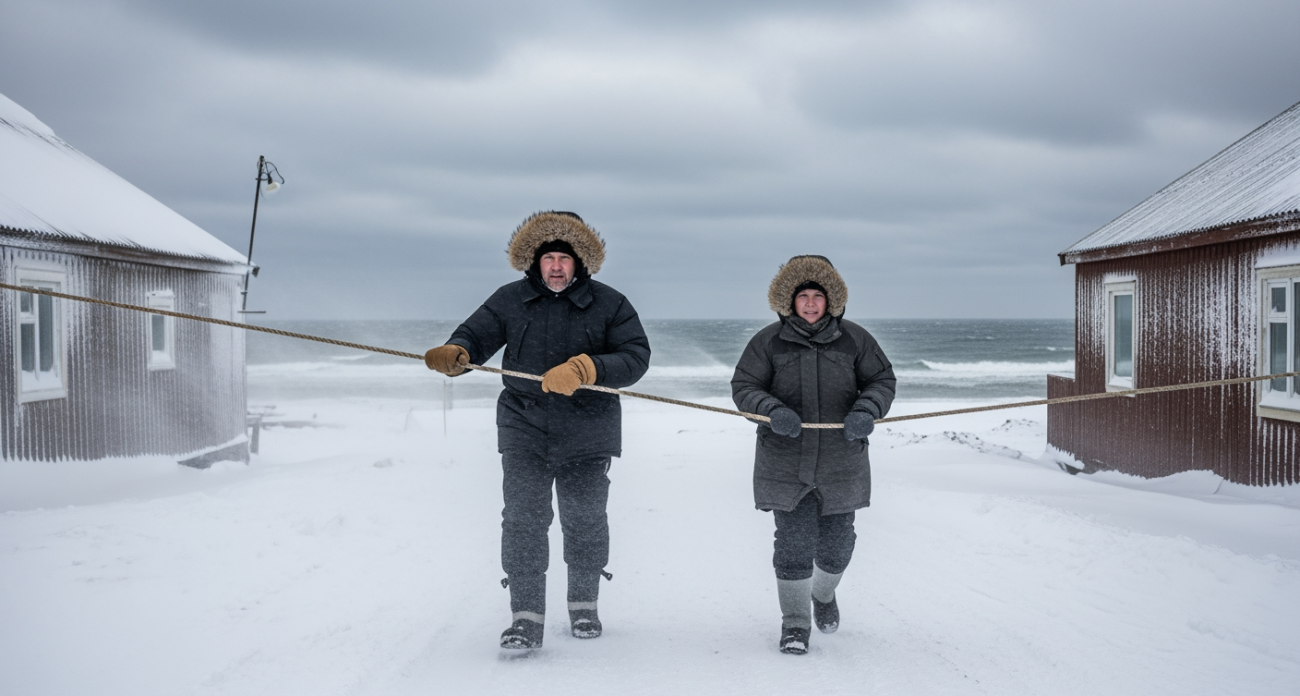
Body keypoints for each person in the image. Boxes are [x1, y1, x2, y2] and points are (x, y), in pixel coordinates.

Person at [423, 211, 651, 650]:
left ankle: (584, 604)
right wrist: (456, 353)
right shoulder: (510, 299)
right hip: (524, 425)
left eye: (564, 258)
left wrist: (587, 368)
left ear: (580, 261)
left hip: (589, 428)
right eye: (548, 258)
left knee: (584, 519)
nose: (556, 267)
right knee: (523, 519)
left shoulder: (611, 303)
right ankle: (525, 618)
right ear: (534, 261)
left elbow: (636, 357)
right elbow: (475, 337)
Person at [731, 255, 896, 655]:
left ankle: (822, 594)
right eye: (802, 296)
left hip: (842, 460)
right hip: (785, 460)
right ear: (789, 300)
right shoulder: (767, 341)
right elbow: (744, 387)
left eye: (817, 296)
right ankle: (795, 624)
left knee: (838, 546)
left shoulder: (855, 339)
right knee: (794, 544)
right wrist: (772, 411)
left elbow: (882, 380)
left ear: (830, 300)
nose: (809, 303)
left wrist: (866, 410)